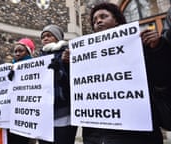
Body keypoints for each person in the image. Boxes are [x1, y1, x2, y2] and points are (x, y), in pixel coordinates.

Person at [69, 2, 168, 144]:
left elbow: (161, 78)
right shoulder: (85, 55)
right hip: (95, 135)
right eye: (95, 20)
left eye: (104, 16)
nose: (98, 21)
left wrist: (157, 49)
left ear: (117, 20)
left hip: (136, 135)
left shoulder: (140, 45)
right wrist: (68, 64)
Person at [38, 24, 77, 144]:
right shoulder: (38, 59)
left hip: (63, 113)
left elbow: (72, 81)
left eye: (49, 35)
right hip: (44, 114)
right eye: (43, 37)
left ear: (58, 38)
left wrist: (61, 70)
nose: (45, 38)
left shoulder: (68, 54)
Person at [7, 38, 36, 144]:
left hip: (27, 117)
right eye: (15, 51)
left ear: (28, 52)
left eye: (21, 51)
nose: (17, 54)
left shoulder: (36, 68)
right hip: (11, 117)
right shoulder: (10, 68)